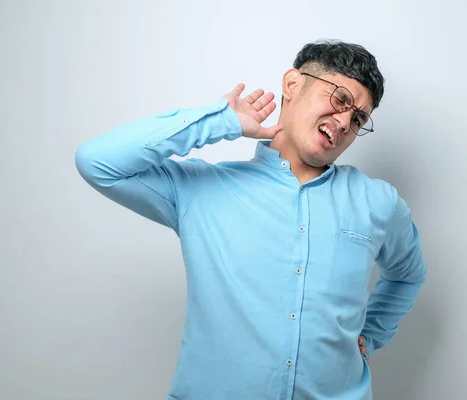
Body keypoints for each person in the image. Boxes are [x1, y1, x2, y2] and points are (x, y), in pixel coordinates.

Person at [75, 39, 427, 400]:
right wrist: (217, 122)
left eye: (358, 119)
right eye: (340, 100)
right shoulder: (201, 190)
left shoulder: (378, 202)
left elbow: (408, 274)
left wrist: (372, 332)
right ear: (292, 85)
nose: (343, 123)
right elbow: (98, 163)